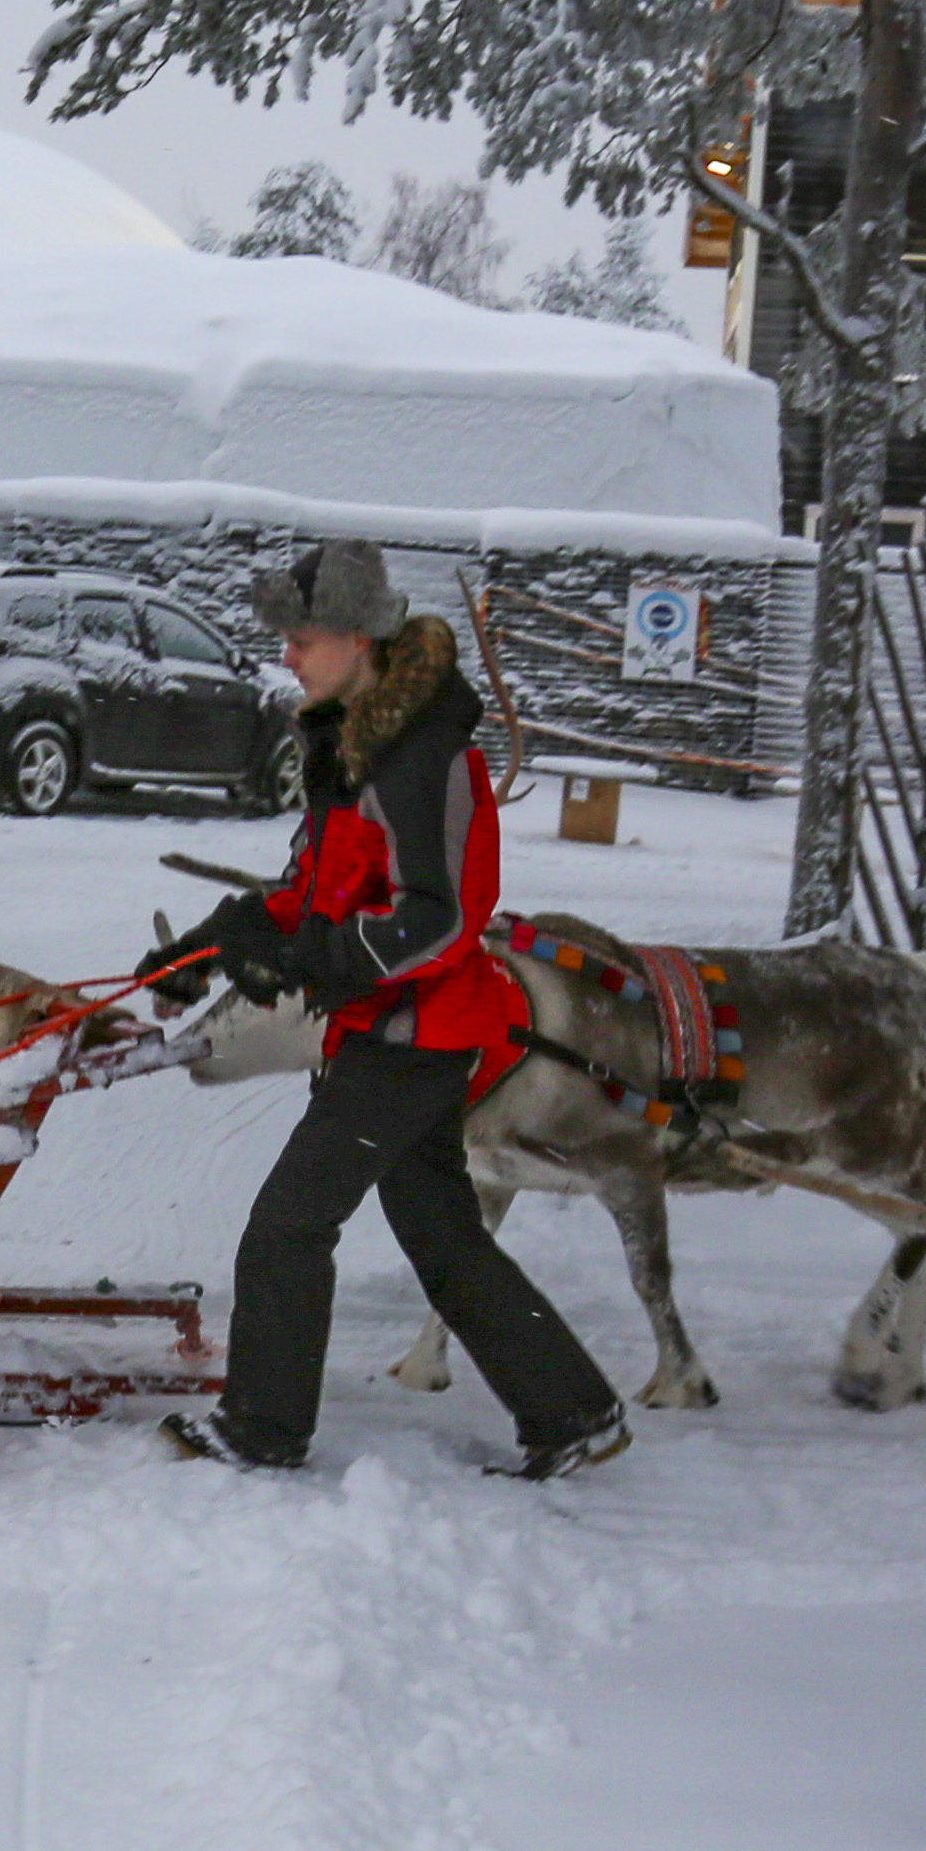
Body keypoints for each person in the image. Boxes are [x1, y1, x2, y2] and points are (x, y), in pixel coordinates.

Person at [152, 540, 629, 1481]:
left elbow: (440, 921)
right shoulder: (348, 738)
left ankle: (263, 1427)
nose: (286, 654)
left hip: (415, 1038)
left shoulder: (425, 756)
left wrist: (311, 958)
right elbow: (313, 888)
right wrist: (217, 939)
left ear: (359, 638)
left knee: (289, 1226)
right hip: (380, 1031)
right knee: (442, 1235)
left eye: (302, 637)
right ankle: (573, 1411)